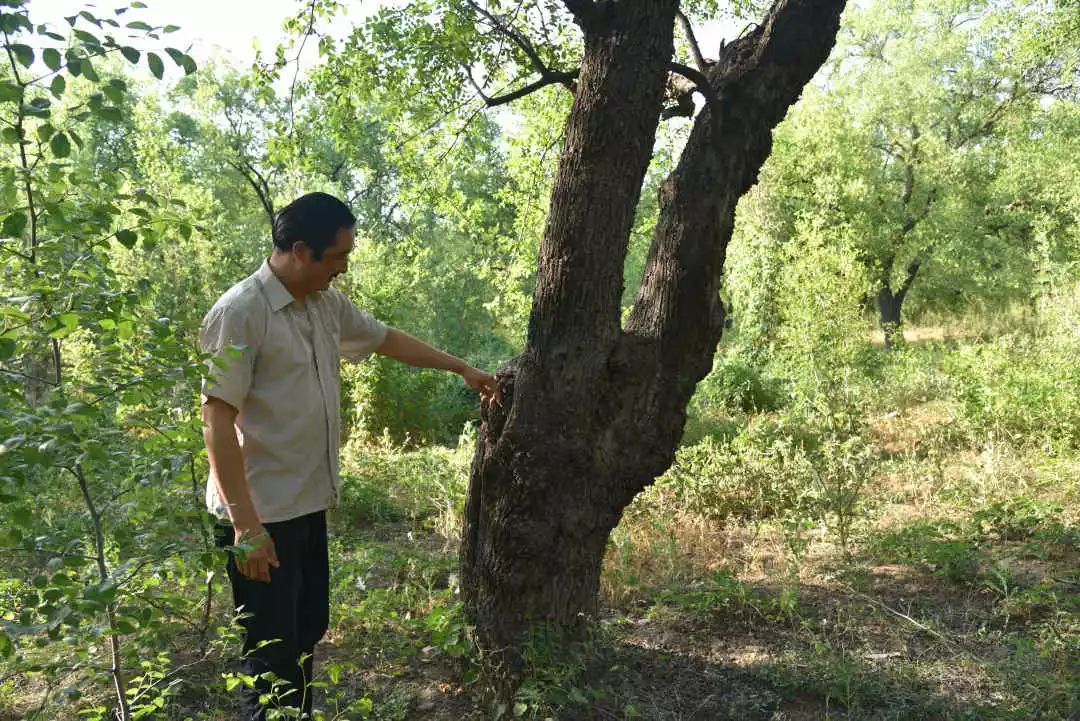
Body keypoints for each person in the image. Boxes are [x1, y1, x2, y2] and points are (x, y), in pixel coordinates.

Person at [199, 192, 500, 720]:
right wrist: (246, 526)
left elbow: (385, 339)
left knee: (305, 634)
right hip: (260, 514)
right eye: (337, 256)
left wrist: (462, 368)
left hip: (306, 504)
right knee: (270, 656)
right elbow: (217, 421)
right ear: (299, 250)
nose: (343, 267)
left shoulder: (325, 305)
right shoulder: (240, 313)